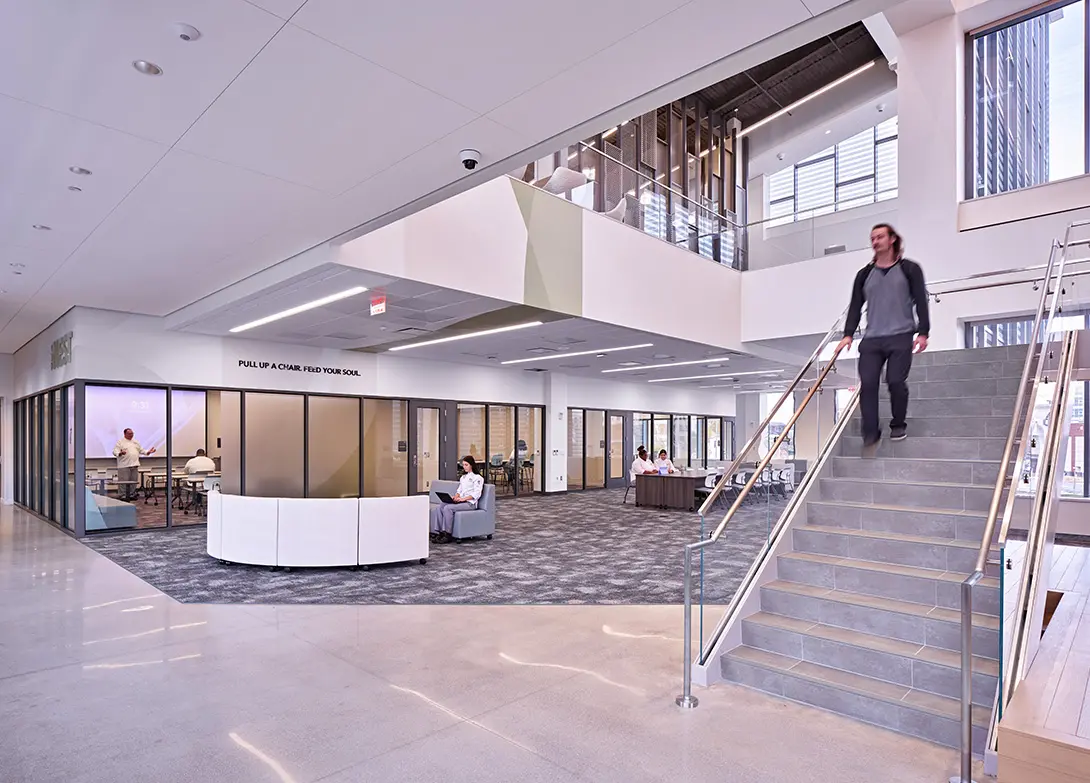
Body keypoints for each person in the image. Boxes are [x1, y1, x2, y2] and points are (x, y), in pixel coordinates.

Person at [836, 223, 930, 455]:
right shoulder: (864, 274)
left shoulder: (910, 269)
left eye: (880, 237)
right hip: (872, 339)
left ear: (892, 240)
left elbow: (921, 299)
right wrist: (848, 334)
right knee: (867, 384)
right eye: (872, 238)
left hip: (901, 335)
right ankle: (871, 434)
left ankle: (898, 424)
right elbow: (856, 306)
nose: (875, 241)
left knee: (895, 381)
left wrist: (923, 332)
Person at [430, 456, 485, 544]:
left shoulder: (478, 478)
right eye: (463, 465)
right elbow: (459, 490)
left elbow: (477, 494)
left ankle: (447, 534)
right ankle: (439, 532)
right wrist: (456, 497)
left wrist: (463, 499)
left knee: (448, 508)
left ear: (471, 465)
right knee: (440, 506)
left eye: (466, 465)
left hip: (469, 503)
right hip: (461, 501)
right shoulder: (463, 478)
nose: (464, 467)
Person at [112, 428, 156, 501]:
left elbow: (141, 450)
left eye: (132, 433)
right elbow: (114, 451)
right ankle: (123, 495)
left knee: (133, 481)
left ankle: (131, 494)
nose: (131, 435)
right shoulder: (120, 442)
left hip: (134, 464)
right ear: (125, 434)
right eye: (129, 434)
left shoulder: (135, 442)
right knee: (123, 481)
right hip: (124, 465)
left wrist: (148, 452)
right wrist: (120, 453)